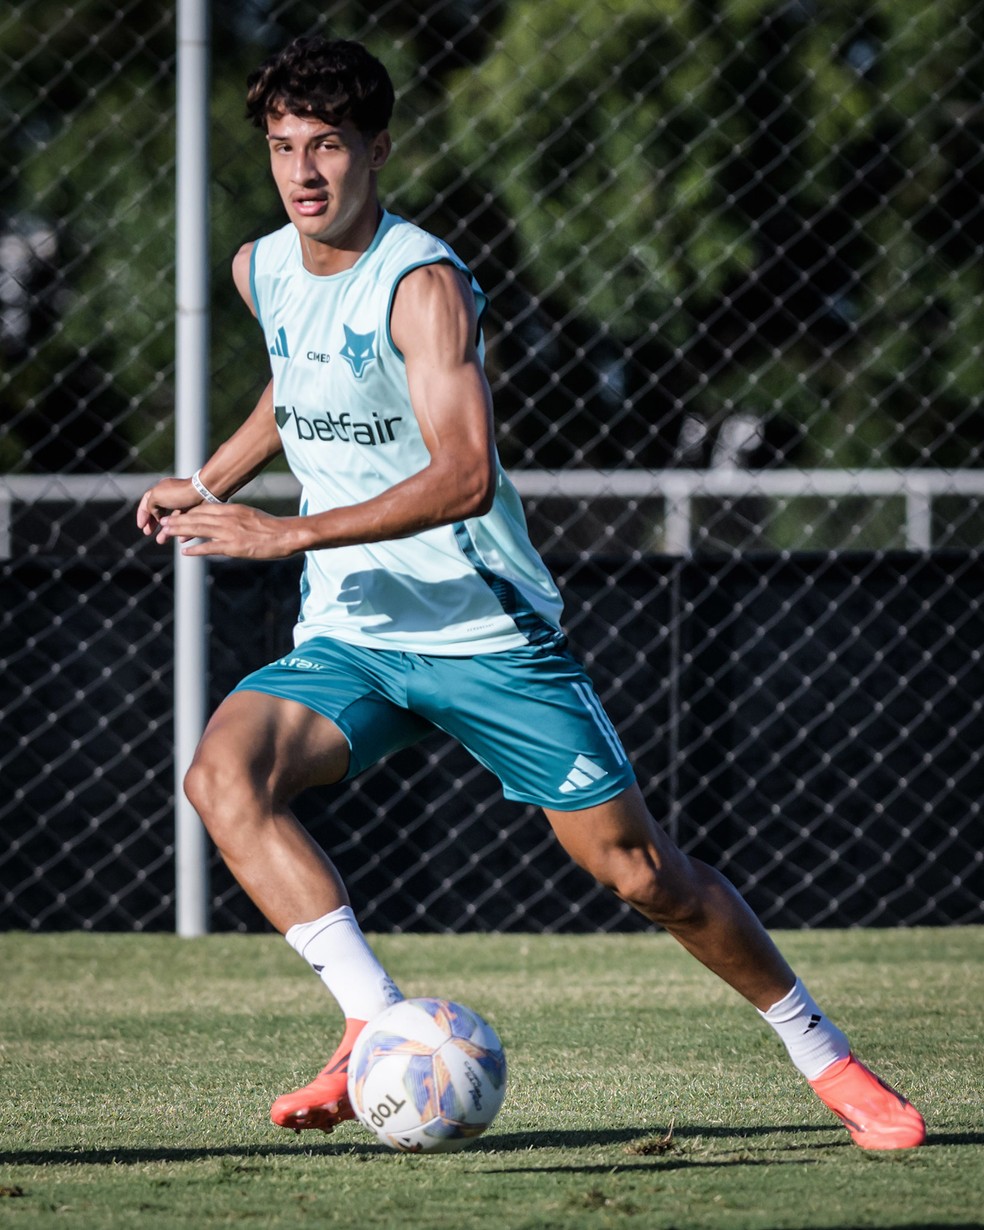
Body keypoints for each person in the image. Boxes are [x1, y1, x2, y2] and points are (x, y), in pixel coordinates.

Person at [137, 34, 925, 1151]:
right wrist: (208, 480)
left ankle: (831, 1062)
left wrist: (286, 530)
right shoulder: (261, 266)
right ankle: (371, 1022)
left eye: (327, 146)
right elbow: (298, 383)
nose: (303, 172)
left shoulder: (424, 283)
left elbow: (461, 474)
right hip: (355, 635)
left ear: (379, 149)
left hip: (481, 630)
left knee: (644, 873)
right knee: (224, 774)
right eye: (281, 148)